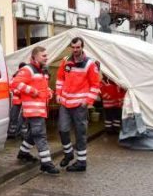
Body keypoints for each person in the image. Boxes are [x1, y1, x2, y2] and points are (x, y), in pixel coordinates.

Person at [10, 46, 60, 175]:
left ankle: (23, 153)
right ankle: (46, 163)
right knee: (40, 134)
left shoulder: (41, 71)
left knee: (34, 133)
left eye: (46, 55)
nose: (46, 57)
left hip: (40, 108)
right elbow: (14, 83)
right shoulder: (27, 69)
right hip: (33, 109)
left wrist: (48, 91)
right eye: (43, 55)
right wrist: (32, 91)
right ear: (35, 56)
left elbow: (42, 87)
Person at [56, 37, 100, 172]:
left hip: (80, 105)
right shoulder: (65, 61)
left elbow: (95, 85)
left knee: (80, 133)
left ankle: (81, 162)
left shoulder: (90, 64)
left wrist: (87, 101)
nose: (75, 50)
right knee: (62, 129)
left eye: (78, 47)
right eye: (73, 47)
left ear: (82, 47)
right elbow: (60, 78)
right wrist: (58, 94)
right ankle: (69, 154)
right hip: (65, 102)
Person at [8, 62, 27, 139]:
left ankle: (22, 134)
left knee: (24, 118)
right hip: (16, 101)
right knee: (14, 117)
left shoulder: (27, 76)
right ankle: (12, 133)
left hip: (24, 101)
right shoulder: (15, 77)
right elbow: (11, 87)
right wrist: (18, 92)